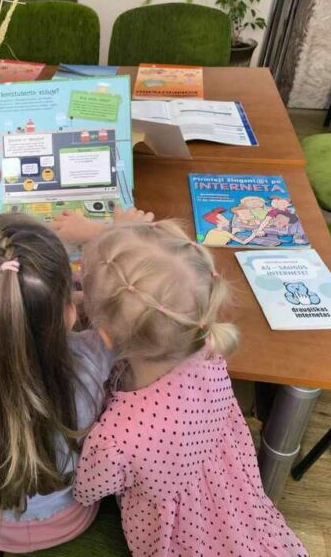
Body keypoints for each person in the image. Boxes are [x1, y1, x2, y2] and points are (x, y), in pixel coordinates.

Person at [67, 219, 308, 556]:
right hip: (225, 490)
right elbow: (157, 281)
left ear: (103, 333)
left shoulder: (115, 435)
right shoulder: (207, 344)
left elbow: (87, 490)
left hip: (178, 530)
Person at [0, 214, 119, 554]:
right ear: (68, 313)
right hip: (80, 514)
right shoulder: (93, 359)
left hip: (7, 537)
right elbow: (134, 309)